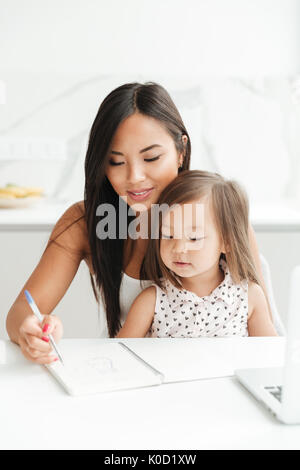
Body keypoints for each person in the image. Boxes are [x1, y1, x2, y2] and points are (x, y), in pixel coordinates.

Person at [6, 82, 275, 363]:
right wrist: (31, 330)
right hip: (130, 370)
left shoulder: (218, 218)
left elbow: (263, 326)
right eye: (116, 162)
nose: (134, 177)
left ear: (181, 151)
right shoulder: (84, 223)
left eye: (151, 157)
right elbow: (20, 314)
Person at [117, 170, 278, 338]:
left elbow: (270, 355)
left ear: (227, 242)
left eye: (194, 238)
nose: (178, 248)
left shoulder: (249, 296)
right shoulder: (151, 301)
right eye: (168, 235)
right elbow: (120, 355)